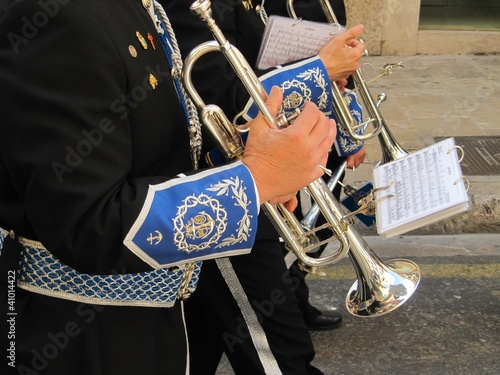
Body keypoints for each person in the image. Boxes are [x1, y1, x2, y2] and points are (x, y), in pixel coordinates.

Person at [0, 1, 336, 374]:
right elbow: (88, 221)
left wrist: (251, 173)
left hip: (150, 322)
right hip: (85, 339)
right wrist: (254, 180)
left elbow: (157, 157)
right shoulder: (63, 16)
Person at [165, 0, 366, 373]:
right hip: (216, 191)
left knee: (199, 344)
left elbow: (253, 65)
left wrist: (318, 71)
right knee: (281, 355)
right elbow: (215, 96)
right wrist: (317, 70)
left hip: (251, 180)